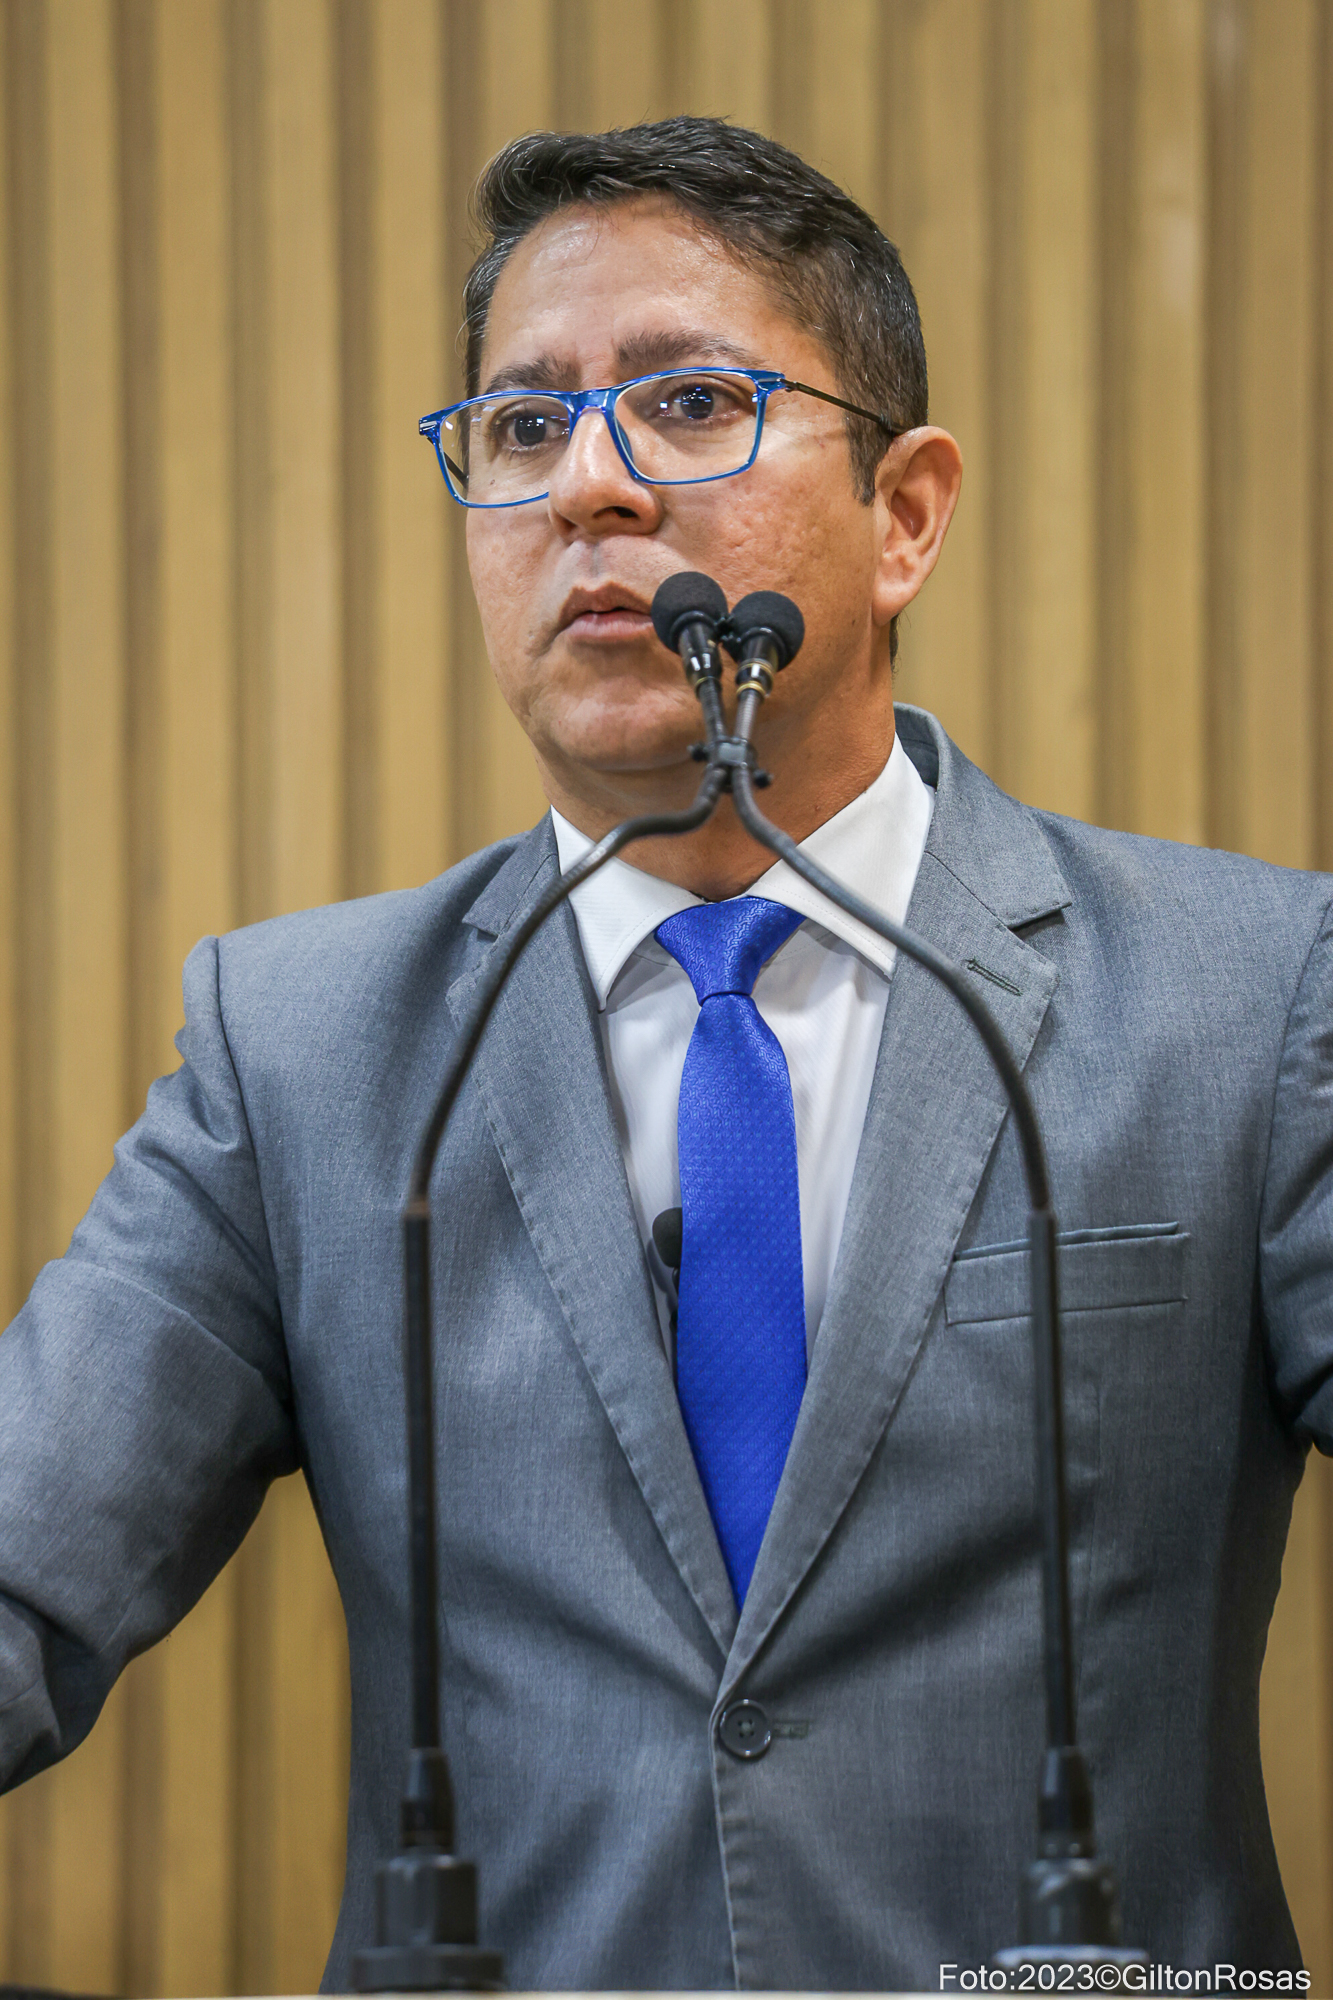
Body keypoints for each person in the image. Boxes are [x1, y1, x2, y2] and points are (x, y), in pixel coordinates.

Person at [0, 116, 1327, 1993]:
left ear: (904, 514)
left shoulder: (1249, 994)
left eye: (690, 403)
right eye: (522, 426)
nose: (589, 490)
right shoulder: (299, 1054)